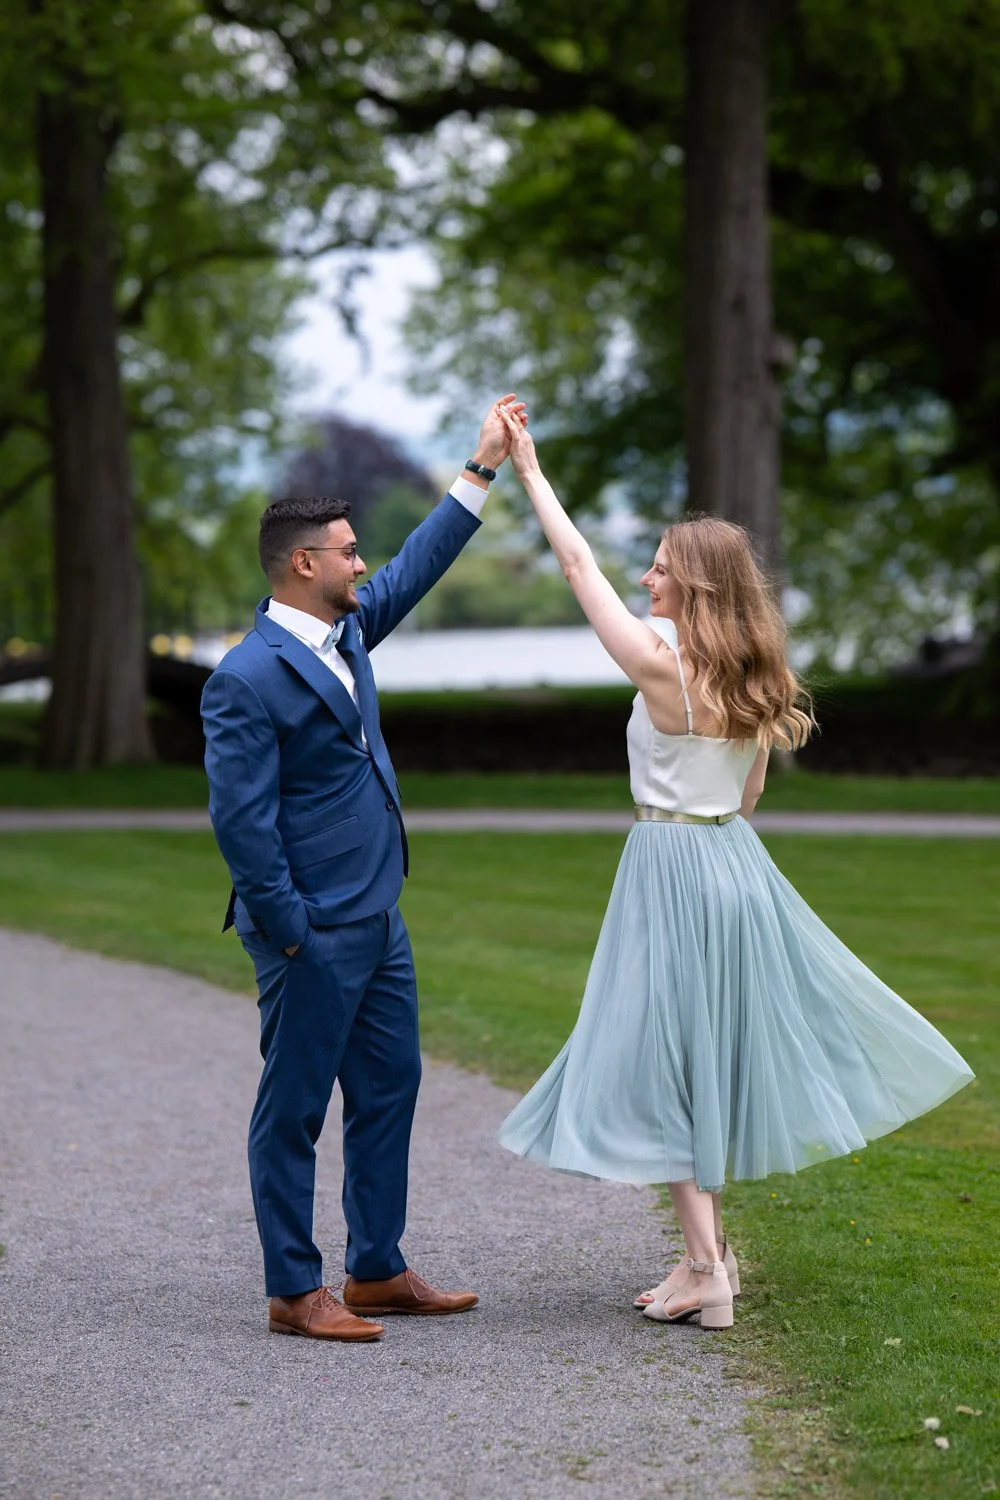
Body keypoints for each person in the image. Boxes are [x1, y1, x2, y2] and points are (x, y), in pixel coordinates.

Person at [493, 405, 975, 1331]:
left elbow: (576, 566)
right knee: (699, 1058)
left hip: (670, 862)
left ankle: (708, 1266)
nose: (646, 577)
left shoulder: (661, 668)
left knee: (671, 1064)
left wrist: (530, 473)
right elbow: (749, 799)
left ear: (696, 584)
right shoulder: (753, 677)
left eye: (663, 568)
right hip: (733, 864)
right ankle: (700, 1260)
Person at [201, 395, 527, 1342]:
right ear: (305, 565)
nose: (362, 564)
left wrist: (482, 468)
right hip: (310, 929)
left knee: (390, 1087)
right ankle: (294, 1291)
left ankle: (377, 1269)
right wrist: (291, 927)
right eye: (348, 552)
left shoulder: (346, 629)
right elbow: (243, 823)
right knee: (294, 1108)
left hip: (379, 915)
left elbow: (420, 564)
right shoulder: (244, 678)